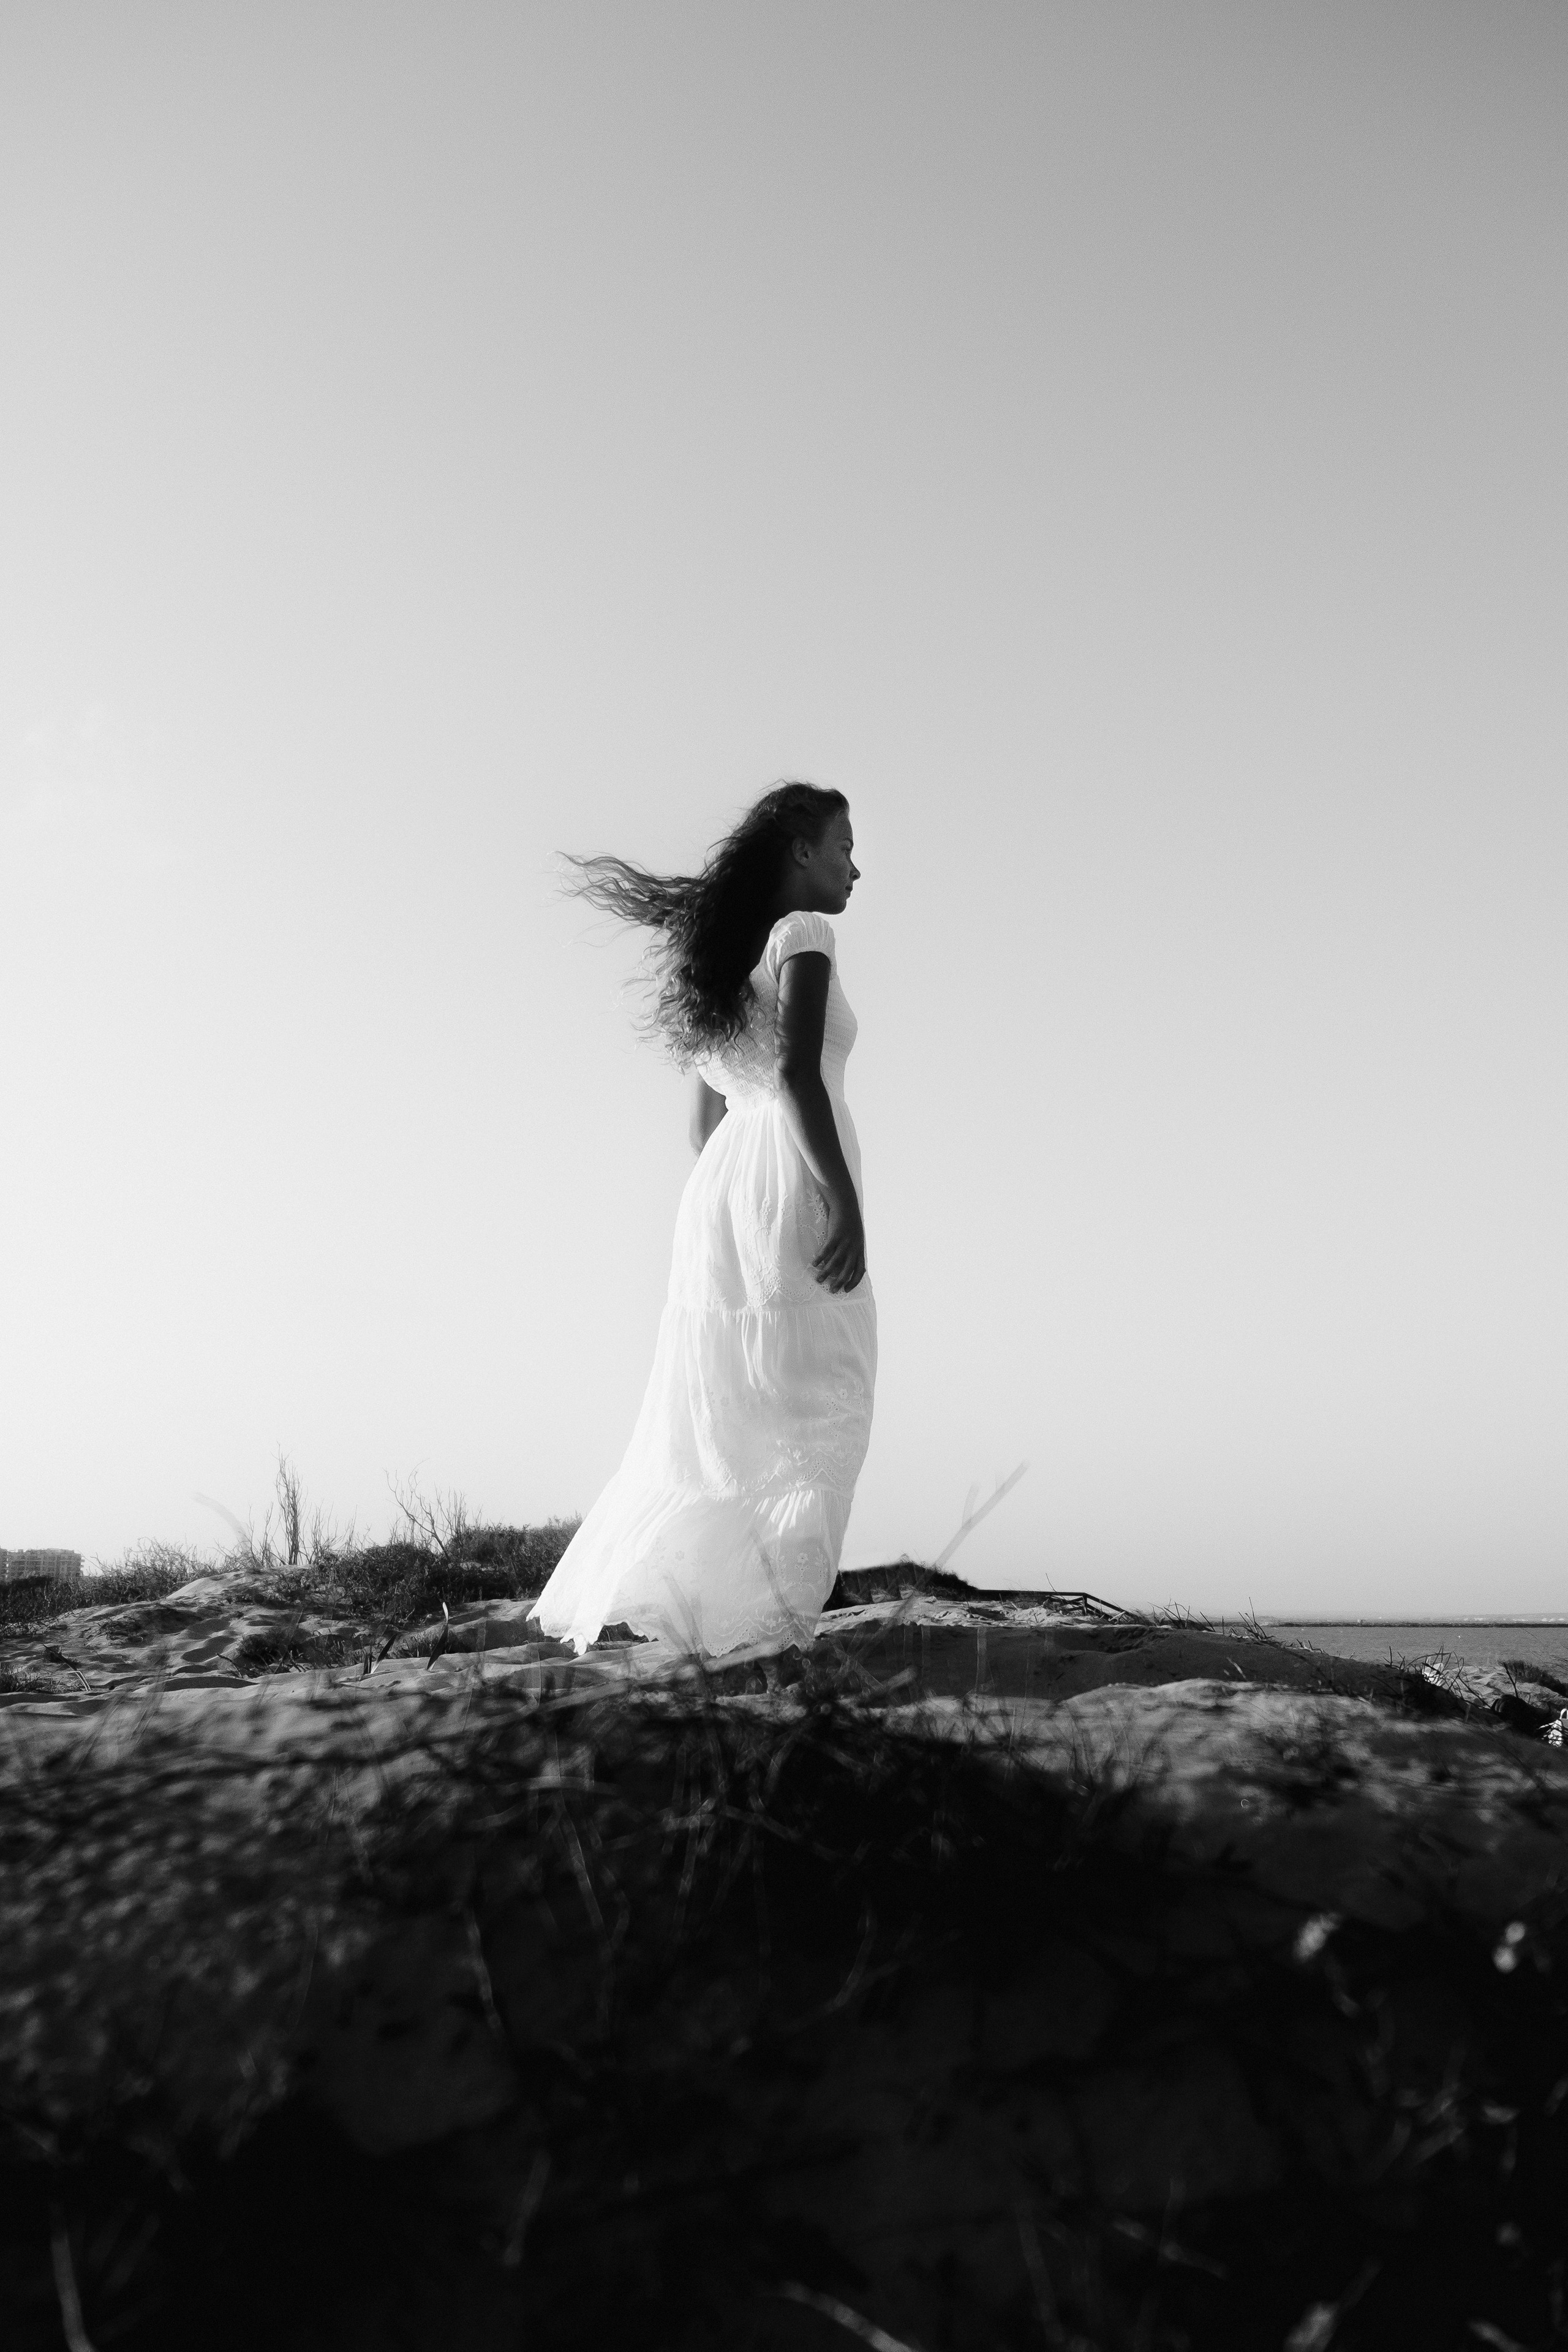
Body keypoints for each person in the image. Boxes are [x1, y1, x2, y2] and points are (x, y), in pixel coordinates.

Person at [530, 782, 876, 1658]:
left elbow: (701, 1126)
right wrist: (839, 1197)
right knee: (818, 1397)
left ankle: (703, 1606)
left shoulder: (720, 961)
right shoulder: (804, 935)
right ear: (801, 848)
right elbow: (799, 1075)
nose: (854, 867)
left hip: (724, 1191)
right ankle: (765, 1616)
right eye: (844, 846)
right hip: (790, 1175)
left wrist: (743, 1197)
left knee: (725, 1408)